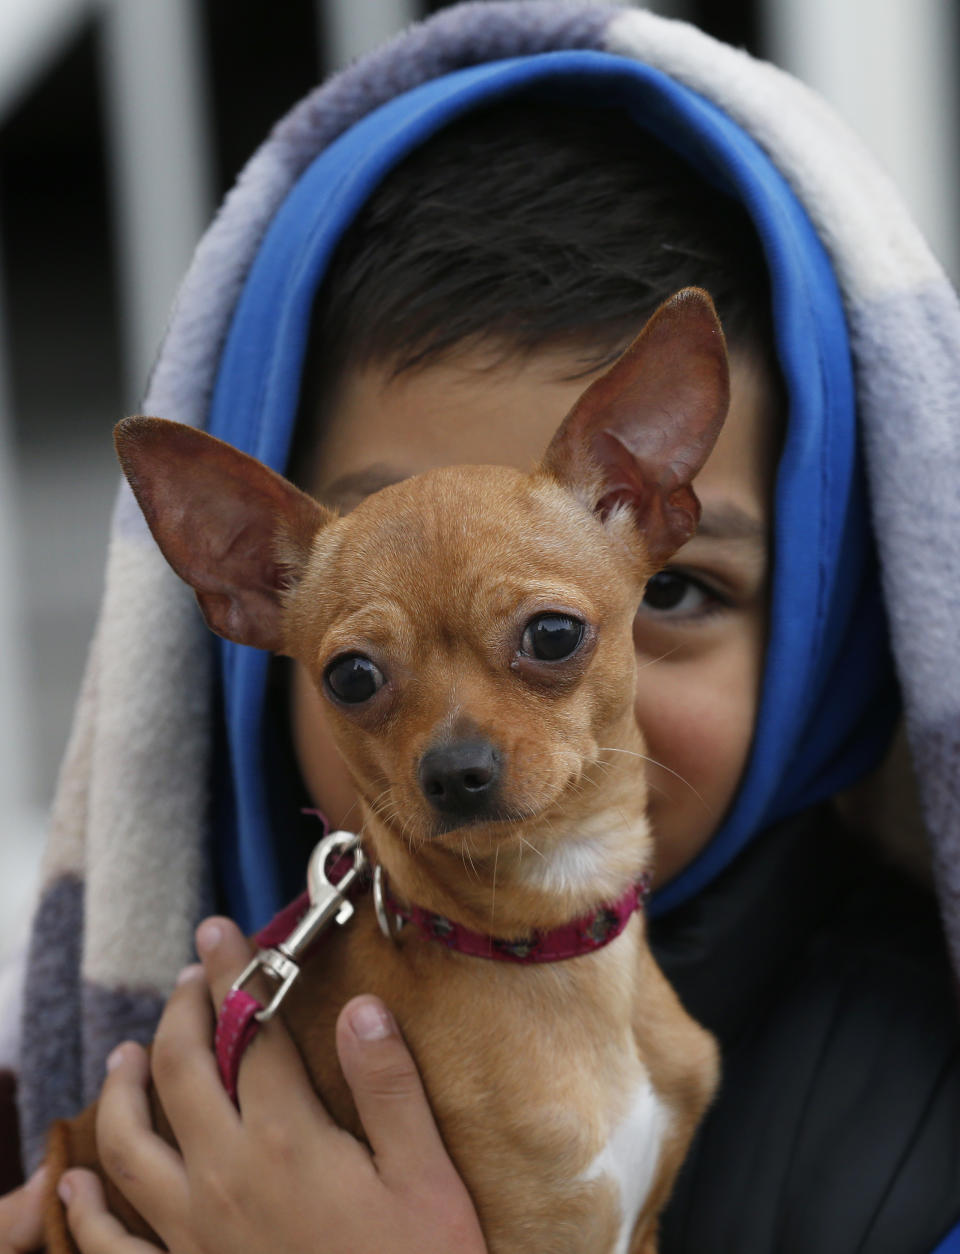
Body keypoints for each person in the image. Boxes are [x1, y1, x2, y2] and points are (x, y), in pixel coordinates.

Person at [3, 4, 960, 1252]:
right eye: (364, 673)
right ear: (247, 592)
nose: (457, 743)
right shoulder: (134, 1077)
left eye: (554, 636)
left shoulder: (911, 1126)